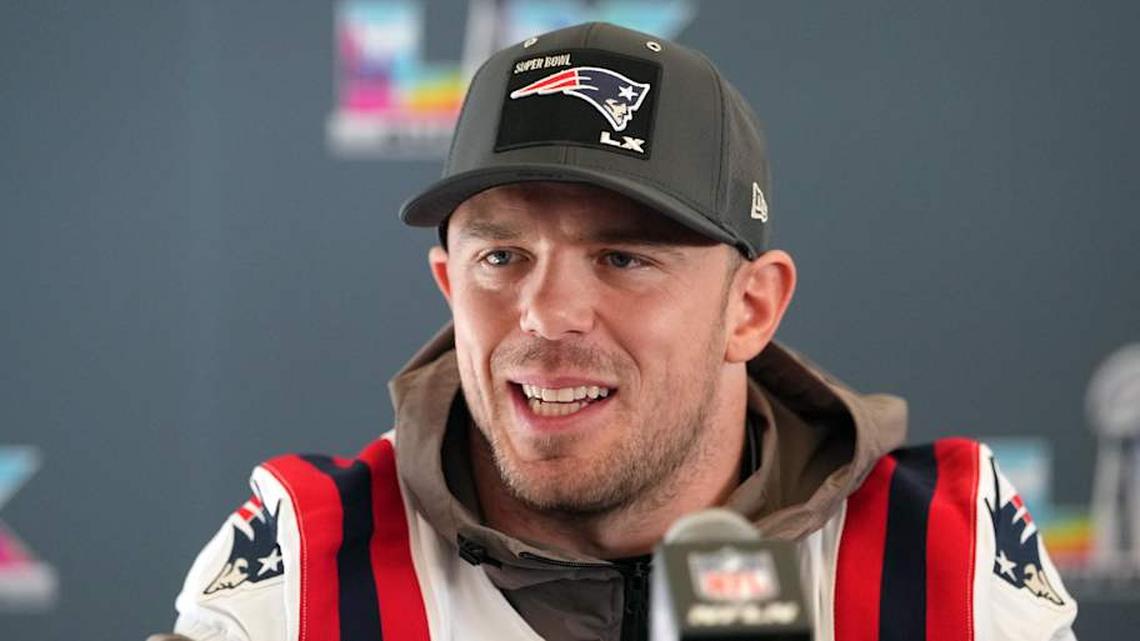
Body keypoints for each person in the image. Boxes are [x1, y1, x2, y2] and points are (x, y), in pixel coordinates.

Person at [156, 22, 1078, 641]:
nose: (547, 313)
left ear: (750, 307)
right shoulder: (310, 565)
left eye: (625, 257)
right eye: (501, 256)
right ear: (447, 280)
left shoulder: (941, 558)